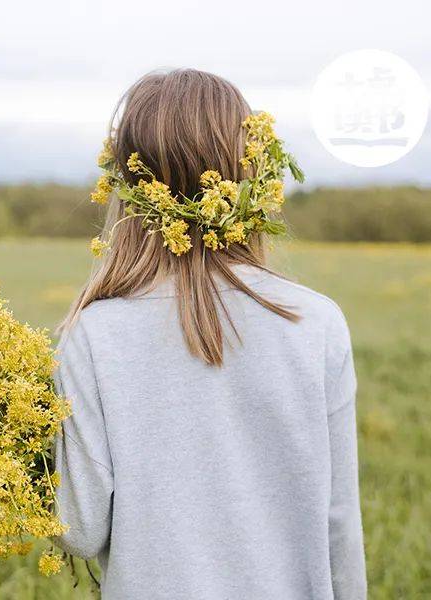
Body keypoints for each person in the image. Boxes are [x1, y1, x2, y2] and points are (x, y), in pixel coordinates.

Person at [53, 68, 367, 599]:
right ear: (252, 172)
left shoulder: (93, 335)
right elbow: (339, 522)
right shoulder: (316, 323)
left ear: (131, 188)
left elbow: (80, 530)